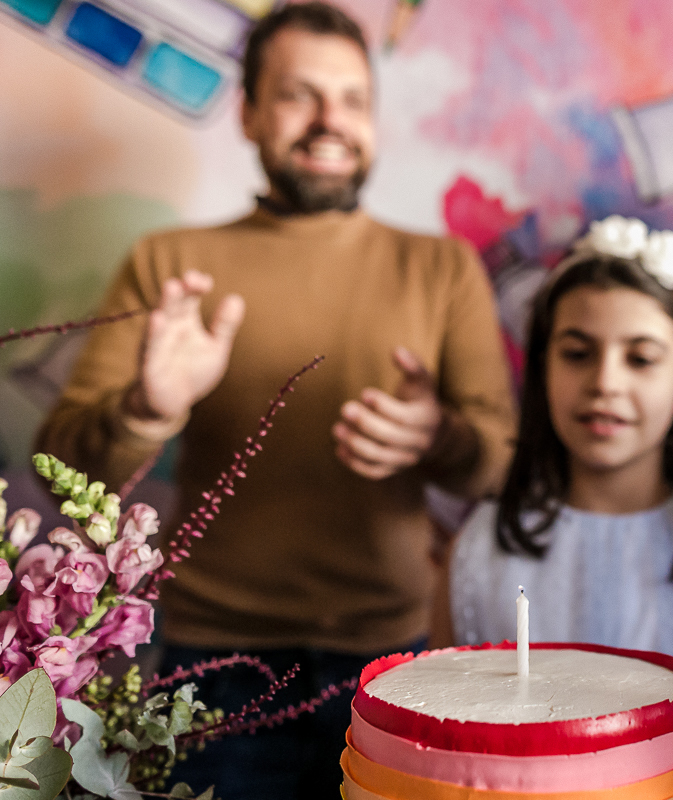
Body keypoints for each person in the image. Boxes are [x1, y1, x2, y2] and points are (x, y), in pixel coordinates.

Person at [35, 3, 516, 798]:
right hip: (210, 665)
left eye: (354, 99)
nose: (332, 121)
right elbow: (64, 466)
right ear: (250, 113)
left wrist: (442, 436)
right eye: (300, 95)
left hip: (391, 664)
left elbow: (499, 468)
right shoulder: (172, 263)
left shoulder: (441, 269)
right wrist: (148, 411)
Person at [430, 216, 673, 800]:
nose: (605, 382)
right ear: (542, 368)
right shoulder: (481, 552)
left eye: (640, 359)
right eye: (578, 353)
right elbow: (439, 760)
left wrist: (665, 783)